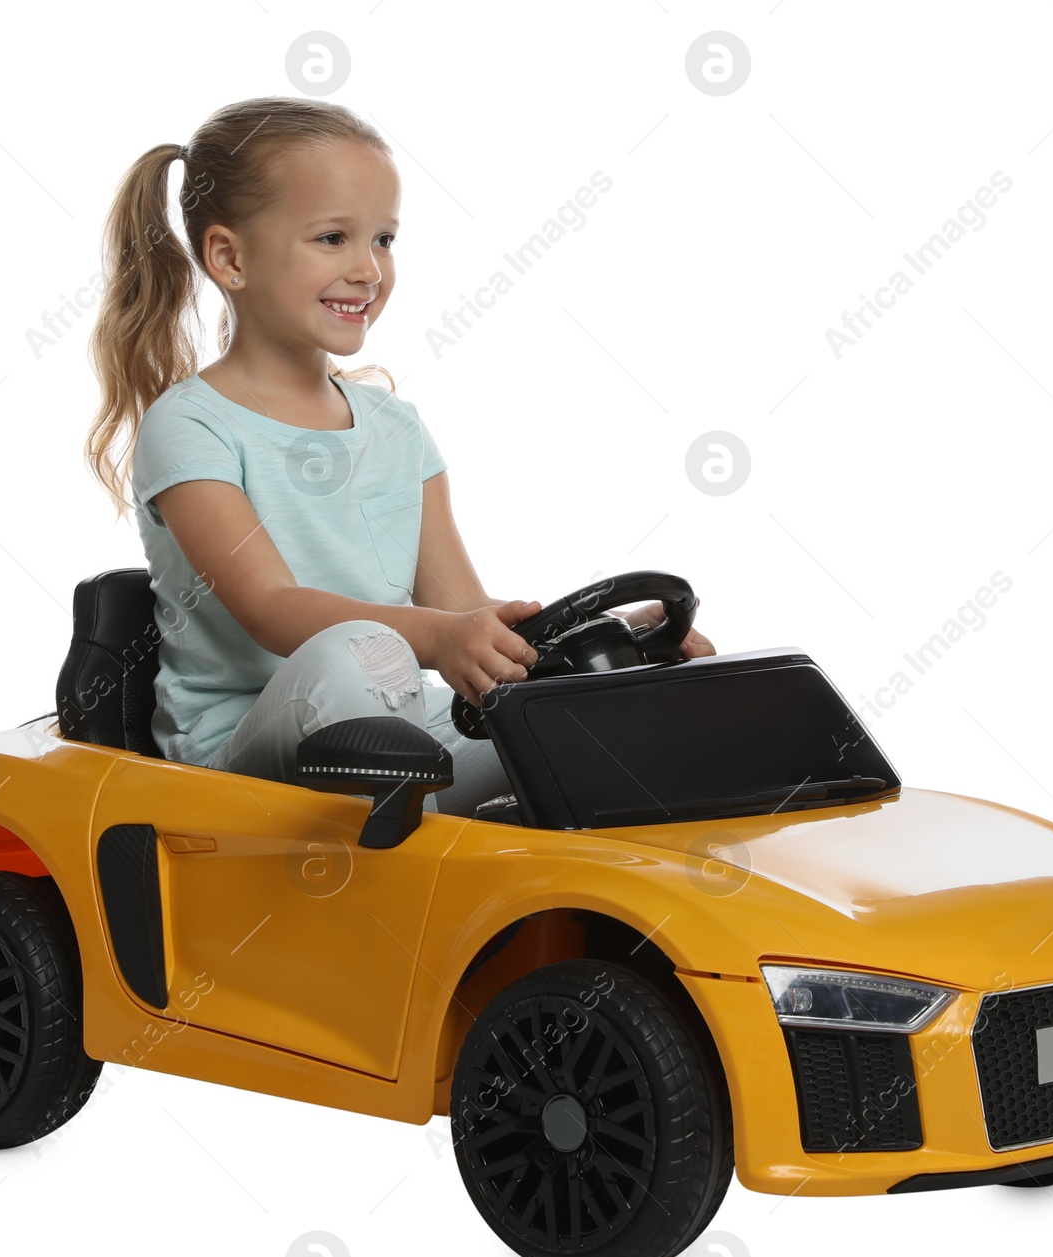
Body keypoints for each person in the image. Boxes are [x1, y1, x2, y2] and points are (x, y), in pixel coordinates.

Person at [82, 96, 712, 816]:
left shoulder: (397, 429)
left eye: (383, 239)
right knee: (362, 652)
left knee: (568, 732)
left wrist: (608, 647)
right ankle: (419, 876)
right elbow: (271, 609)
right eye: (332, 239)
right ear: (230, 257)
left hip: (395, 723)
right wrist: (438, 639)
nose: (368, 269)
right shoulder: (190, 426)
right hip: (236, 768)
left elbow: (464, 612)